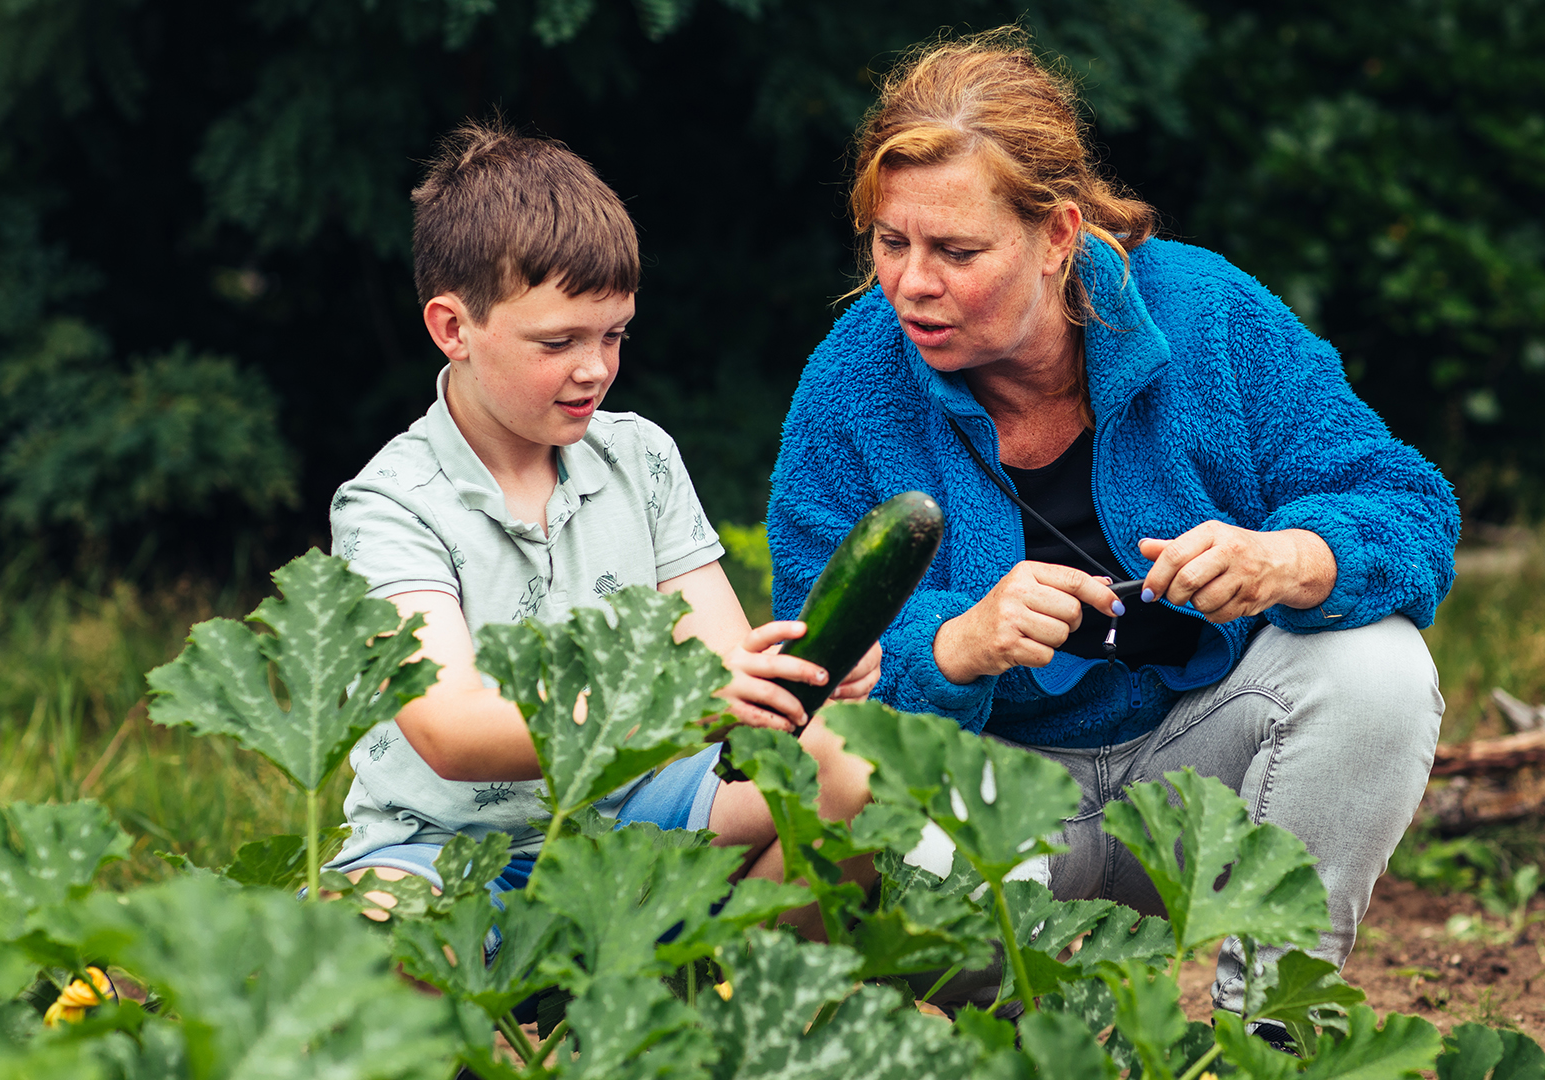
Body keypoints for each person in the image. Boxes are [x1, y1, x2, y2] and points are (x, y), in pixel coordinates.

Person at [766, 31, 1458, 1018]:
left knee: (1377, 670)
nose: (911, 283)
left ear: (1057, 236)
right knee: (885, 822)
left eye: (956, 251)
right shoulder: (851, 383)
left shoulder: (1208, 312)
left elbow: (1407, 501)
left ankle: (1271, 1017)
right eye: (890, 242)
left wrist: (1290, 558)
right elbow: (816, 667)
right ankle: (1040, 1039)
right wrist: (958, 644)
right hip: (997, 807)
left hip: (1198, 778)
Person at [325, 118, 877, 927]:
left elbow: (720, 657)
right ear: (453, 330)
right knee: (379, 930)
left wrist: (788, 676)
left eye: (614, 334)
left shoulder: (639, 455)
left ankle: (708, 999)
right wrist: (693, 700)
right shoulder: (389, 504)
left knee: (856, 759)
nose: (595, 369)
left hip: (633, 816)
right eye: (558, 342)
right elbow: (451, 731)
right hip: (441, 846)